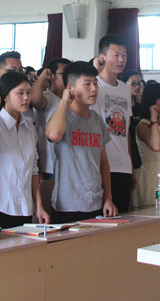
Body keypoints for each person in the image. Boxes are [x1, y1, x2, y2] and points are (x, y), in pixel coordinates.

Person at [45, 61, 117, 223]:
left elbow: (103, 162)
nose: (93, 89)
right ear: (70, 88)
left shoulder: (97, 120)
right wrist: (64, 102)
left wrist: (108, 198)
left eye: (95, 83)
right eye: (87, 84)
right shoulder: (60, 114)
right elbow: (54, 135)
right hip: (67, 206)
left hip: (96, 203)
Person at [0, 72, 49, 228]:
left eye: (28, 92)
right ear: (5, 97)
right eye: (20, 93)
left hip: (25, 208)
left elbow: (33, 171)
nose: (26, 98)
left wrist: (39, 206)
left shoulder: (29, 127)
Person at [92, 34, 134, 213]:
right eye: (116, 55)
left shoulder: (124, 88)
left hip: (123, 165)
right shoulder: (94, 85)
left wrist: (130, 165)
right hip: (102, 164)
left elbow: (126, 129)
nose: (121, 60)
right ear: (102, 57)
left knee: (124, 219)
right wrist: (93, 70)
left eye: (124, 55)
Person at [31, 57, 71, 179]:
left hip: (70, 164)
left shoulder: (73, 99)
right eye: (63, 74)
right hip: (50, 165)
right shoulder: (47, 97)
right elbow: (35, 100)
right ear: (52, 76)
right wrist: (43, 76)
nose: (67, 78)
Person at [119, 69, 144, 172]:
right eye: (133, 84)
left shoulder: (142, 108)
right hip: (125, 151)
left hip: (141, 152)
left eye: (139, 84)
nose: (137, 87)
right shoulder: (120, 107)